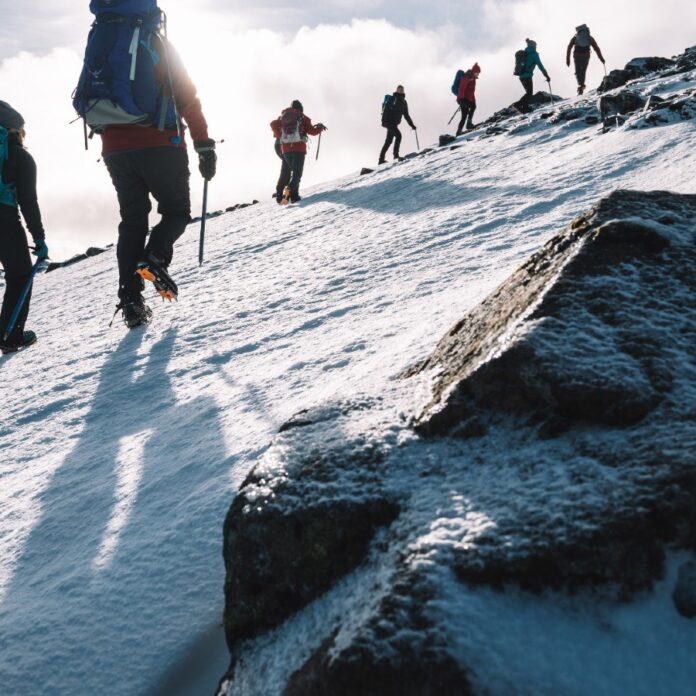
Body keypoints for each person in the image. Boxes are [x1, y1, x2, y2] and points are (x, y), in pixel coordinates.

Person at [93, 16, 216, 327]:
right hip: (161, 142)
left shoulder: (102, 40)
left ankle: (131, 301)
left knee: (133, 218)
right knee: (176, 211)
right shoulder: (157, 41)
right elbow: (187, 97)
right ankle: (154, 258)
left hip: (114, 147)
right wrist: (204, 146)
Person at [0, 102, 48, 354]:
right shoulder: (20, 157)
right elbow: (28, 202)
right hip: (5, 220)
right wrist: (39, 240)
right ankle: (10, 335)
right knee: (19, 277)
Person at [270, 100, 326, 204]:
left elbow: (273, 124)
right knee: (297, 174)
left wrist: (280, 136)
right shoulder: (303, 117)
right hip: (299, 150)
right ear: (301, 108)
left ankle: (280, 195)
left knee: (285, 171)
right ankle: (290, 192)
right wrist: (320, 128)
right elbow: (312, 131)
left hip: (285, 150)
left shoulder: (283, 116)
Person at [379, 85, 417, 164]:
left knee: (388, 141)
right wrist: (385, 122)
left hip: (394, 124)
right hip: (389, 122)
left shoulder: (404, 102)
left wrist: (412, 125)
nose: (401, 91)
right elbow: (386, 111)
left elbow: (406, 115)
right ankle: (396, 156)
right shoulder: (392, 99)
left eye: (402, 90)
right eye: (399, 90)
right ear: (396, 90)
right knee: (398, 136)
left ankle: (381, 160)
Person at [566, 24, 605, 95]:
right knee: (583, 71)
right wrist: (601, 58)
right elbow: (596, 48)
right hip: (586, 56)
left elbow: (569, 47)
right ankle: (582, 85)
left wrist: (567, 60)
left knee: (578, 71)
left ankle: (580, 86)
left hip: (577, 56)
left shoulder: (575, 38)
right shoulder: (589, 38)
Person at [516, 39, 550, 112]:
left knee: (528, 93)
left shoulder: (525, 53)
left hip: (521, 76)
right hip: (527, 76)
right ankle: (518, 104)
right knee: (529, 93)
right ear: (534, 46)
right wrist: (546, 75)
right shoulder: (534, 54)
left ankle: (525, 108)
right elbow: (540, 65)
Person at [456, 64, 481, 135]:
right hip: (463, 99)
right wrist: (461, 99)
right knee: (464, 116)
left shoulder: (473, 79)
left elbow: (472, 92)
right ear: (474, 71)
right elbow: (461, 88)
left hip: (468, 99)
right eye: (477, 72)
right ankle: (459, 131)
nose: (478, 74)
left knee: (473, 107)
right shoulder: (466, 77)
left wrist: (473, 101)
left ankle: (468, 124)